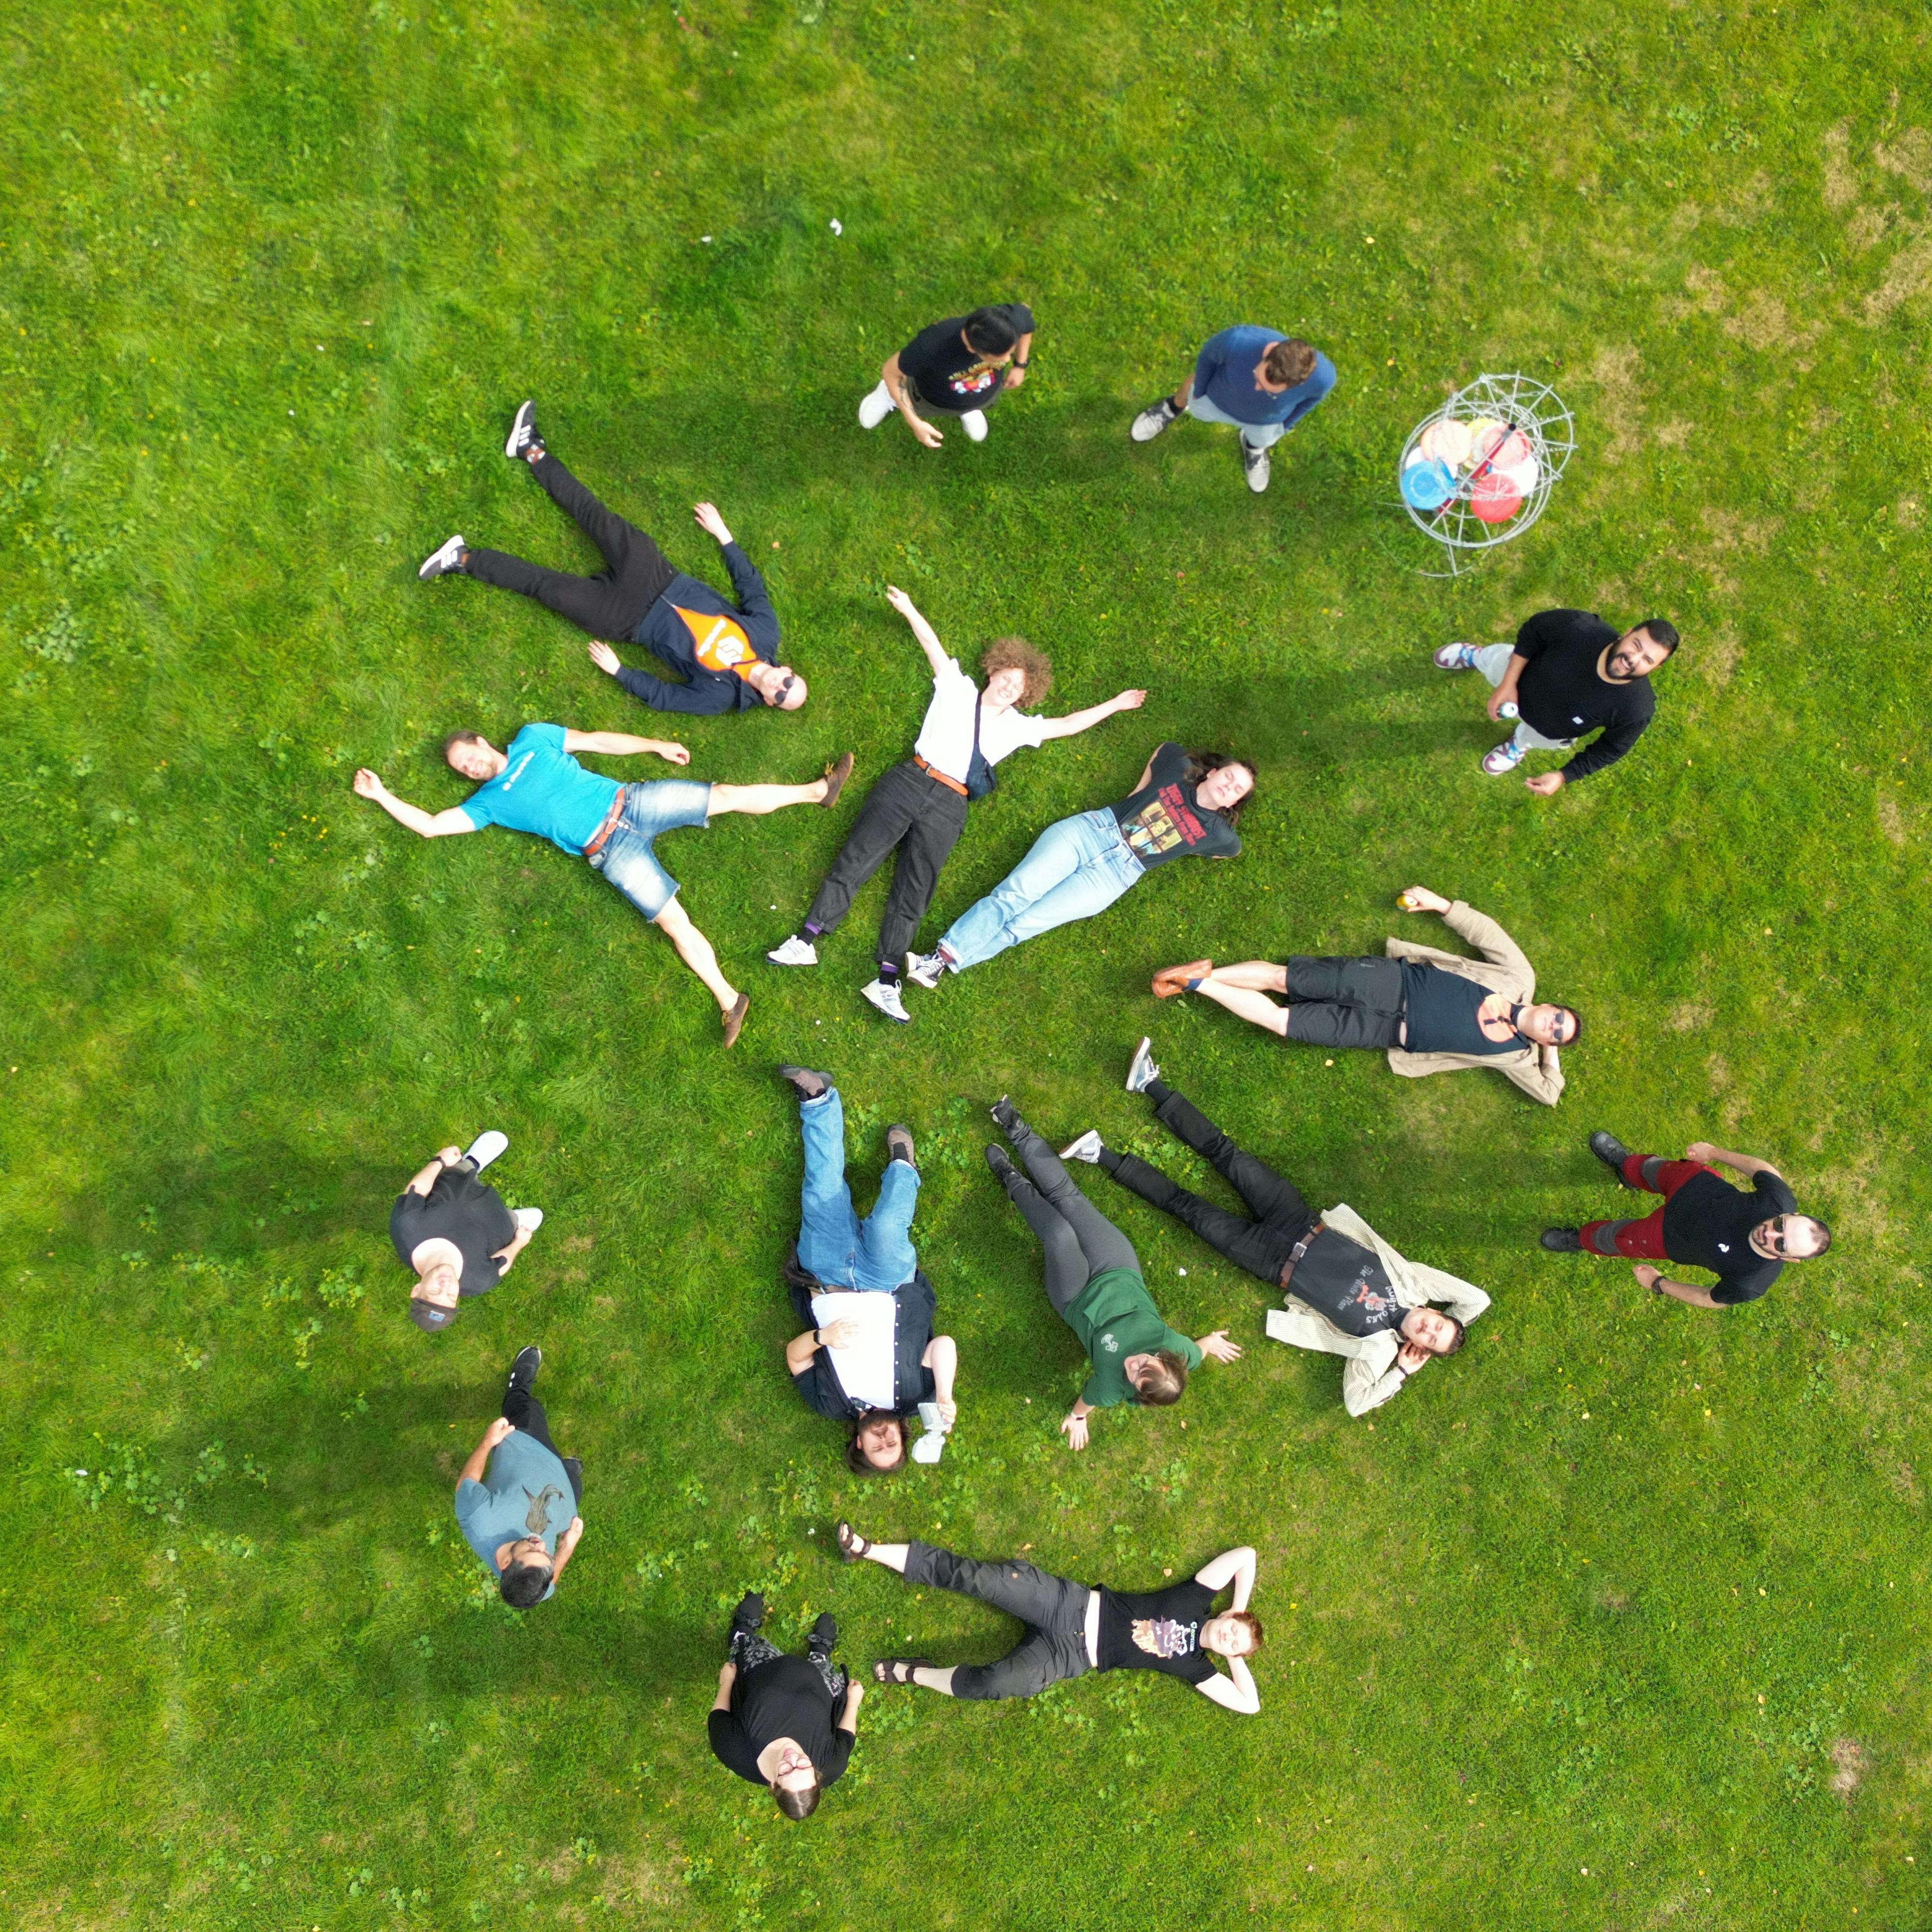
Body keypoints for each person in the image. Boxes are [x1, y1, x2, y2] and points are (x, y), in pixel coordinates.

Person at [766, 587, 1145, 1022]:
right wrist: (910, 608)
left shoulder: (1020, 728)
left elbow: (1070, 724)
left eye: (1019, 686)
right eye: (1007, 676)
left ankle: (887, 981)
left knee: (915, 889)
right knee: (857, 859)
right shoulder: (958, 689)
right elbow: (933, 647)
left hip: (951, 804)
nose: (1009, 686)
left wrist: (1116, 704)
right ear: (994, 670)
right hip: (911, 779)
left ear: (1026, 695)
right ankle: (807, 940)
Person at [352, 725, 851, 1048]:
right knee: (675, 923)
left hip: (632, 802)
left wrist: (654, 743)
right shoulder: (489, 803)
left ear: (483, 743)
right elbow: (432, 825)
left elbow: (595, 740)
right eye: (464, 769)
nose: (472, 768)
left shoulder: (532, 740)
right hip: (612, 852)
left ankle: (817, 792)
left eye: (471, 757)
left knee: (724, 796)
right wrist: (382, 796)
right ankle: (729, 1000)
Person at [1059, 1043, 1489, 1417]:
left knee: (1185, 1207)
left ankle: (1101, 1156)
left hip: (1267, 1261)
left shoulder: (1377, 1349)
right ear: (1436, 1312)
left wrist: (1400, 1370)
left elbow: (1357, 1403)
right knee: (1226, 1154)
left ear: (1421, 1349)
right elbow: (1477, 1299)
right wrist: (1454, 1324)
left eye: (1431, 1340)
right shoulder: (1416, 1284)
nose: (1429, 1330)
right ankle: (1150, 1084)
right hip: (1299, 1220)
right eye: (1438, 1324)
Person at [417, 403, 806, 714]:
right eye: (789, 681)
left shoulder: (721, 698)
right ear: (787, 670)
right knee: (592, 514)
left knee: (547, 589)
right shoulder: (766, 633)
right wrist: (724, 536)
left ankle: (462, 558)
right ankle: (530, 449)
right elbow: (751, 588)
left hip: (628, 621)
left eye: (781, 695)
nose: (780, 685)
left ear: (771, 703)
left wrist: (621, 672)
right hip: (658, 577)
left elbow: (666, 698)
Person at [1153, 886, 1574, 1106]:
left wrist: (1546, 1052)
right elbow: (1487, 934)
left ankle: (1196, 983)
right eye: (1558, 1017)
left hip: (1382, 1031)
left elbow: (1549, 1092)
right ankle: (1196, 977)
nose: (1552, 1025)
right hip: (1390, 982)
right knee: (1285, 980)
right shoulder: (1520, 978)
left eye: (1556, 1033)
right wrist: (1440, 905)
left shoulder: (1517, 1057)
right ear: (1549, 1005)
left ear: (1547, 1041)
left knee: (1283, 1022)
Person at [982, 1098, 1240, 1448]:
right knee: (1067, 1198)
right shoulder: (1180, 1352)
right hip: (1118, 1270)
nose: (1135, 1364)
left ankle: (1011, 1180)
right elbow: (1198, 1351)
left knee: (1059, 1234)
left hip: (1076, 1297)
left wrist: (1077, 1417)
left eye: (1135, 1375)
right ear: (1164, 1358)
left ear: (1135, 1390)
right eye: (1146, 1362)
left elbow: (1087, 1400)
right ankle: (1016, 1127)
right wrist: (1211, 1342)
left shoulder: (1111, 1387)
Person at [904, 742, 1253, 994]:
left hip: (1117, 875)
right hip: (1091, 831)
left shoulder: (1219, 835)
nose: (1229, 786)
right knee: (1014, 895)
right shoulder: (1178, 769)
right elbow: (1163, 748)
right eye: (1229, 776)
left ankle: (940, 964)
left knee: (1025, 925)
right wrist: (1139, 792)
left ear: (1235, 801)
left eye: (1237, 790)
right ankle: (939, 958)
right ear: (1212, 772)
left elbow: (1230, 852)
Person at [837, 1525, 1261, 1714]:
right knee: (983, 1579)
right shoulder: (1196, 1598)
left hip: (1069, 1656)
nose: (1227, 1636)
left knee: (995, 1685)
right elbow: (1247, 1556)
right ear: (1229, 1614)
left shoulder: (1198, 1668)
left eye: (1232, 1643)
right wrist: (1240, 1607)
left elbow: (1250, 1705)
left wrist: (1235, 1658)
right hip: (1069, 1605)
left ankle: (915, 1675)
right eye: (1234, 1628)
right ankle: (868, 1549)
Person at [775, 1067, 959, 1471]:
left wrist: (824, 1336)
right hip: (889, 1282)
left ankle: (818, 1099)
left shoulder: (829, 1405)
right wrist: (944, 1394)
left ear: (858, 1446)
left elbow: (795, 1357)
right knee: (888, 1225)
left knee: (822, 1191)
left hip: (826, 1279)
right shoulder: (916, 1400)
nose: (885, 1438)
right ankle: (903, 1167)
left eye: (877, 1448)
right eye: (892, 1444)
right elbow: (942, 1344)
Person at [1542, 1132, 1831, 1309]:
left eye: (1782, 1245)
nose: (1771, 1235)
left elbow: (1710, 1299)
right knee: (1648, 1168)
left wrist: (1659, 1283)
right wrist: (1714, 1153)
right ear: (1788, 1215)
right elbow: (1763, 1170)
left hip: (1667, 1238)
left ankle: (1578, 1239)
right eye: (1781, 1226)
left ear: (1790, 1260)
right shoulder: (1779, 1200)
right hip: (1692, 1185)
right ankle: (1626, 1167)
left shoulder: (1750, 1282)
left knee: (1611, 1239)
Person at [1431, 610, 1677, 791]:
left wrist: (1563, 776)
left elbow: (1612, 748)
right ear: (1627, 634)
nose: (1633, 660)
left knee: (1531, 738)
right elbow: (1532, 632)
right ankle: (1475, 656)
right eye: (1636, 646)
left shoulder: (1636, 709)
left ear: (1655, 668)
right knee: (1492, 661)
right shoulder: (1579, 629)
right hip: (1516, 676)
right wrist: (1507, 684)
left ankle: (1518, 745)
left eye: (1647, 660)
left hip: (1550, 732)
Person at [709, 1590, 860, 1820]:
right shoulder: (832, 1765)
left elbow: (719, 1718)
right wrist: (854, 1703)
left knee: (748, 1651)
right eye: (803, 1765)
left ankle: (742, 1633)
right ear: (817, 1775)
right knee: (824, 1671)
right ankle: (820, 1654)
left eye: (787, 1771)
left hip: (758, 1670)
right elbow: (846, 1736)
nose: (792, 1759)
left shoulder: (736, 1753)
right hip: (819, 1684)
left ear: (773, 1785)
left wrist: (727, 1683)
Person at [1131, 327, 1336, 494]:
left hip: (1265, 422)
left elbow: (1314, 399)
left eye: (1269, 391)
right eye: (1258, 377)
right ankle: (1172, 408)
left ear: (1299, 384)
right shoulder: (1237, 340)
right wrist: (1200, 391)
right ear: (1269, 351)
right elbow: (1206, 359)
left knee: (1261, 440)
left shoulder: (1323, 379)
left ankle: (1254, 448)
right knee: (1190, 395)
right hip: (1215, 398)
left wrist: (1286, 425)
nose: (1257, 388)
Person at [453, 1347, 584, 1608]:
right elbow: (552, 1579)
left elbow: (467, 1482)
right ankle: (565, 1468)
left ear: (505, 1564)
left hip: (525, 1445)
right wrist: (567, 1548)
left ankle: (518, 1385)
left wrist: (488, 1442)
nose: (541, 1544)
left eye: (531, 1549)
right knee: (574, 1478)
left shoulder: (480, 1519)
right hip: (563, 1490)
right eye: (546, 1553)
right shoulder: (535, 1585)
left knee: (528, 1407)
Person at [390, 1130, 542, 1333]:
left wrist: (439, 1162)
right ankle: (516, 1218)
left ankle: (474, 1160)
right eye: (452, 1296)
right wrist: (518, 1243)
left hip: (461, 1180)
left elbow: (416, 1191)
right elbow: (500, 1266)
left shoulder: (406, 1230)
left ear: (417, 1290)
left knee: (464, 1168)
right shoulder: (477, 1281)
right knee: (512, 1222)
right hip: (500, 1221)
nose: (447, 1286)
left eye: (435, 1292)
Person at [857, 303, 1035, 448]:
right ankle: (888, 395)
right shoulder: (933, 346)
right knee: (896, 385)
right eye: (999, 357)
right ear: (973, 349)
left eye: (1009, 353)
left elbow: (1026, 319)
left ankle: (968, 409)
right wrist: (915, 422)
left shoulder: (1006, 323)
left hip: (979, 389)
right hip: (931, 395)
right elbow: (891, 372)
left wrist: (1020, 365)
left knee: (976, 398)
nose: (1006, 361)